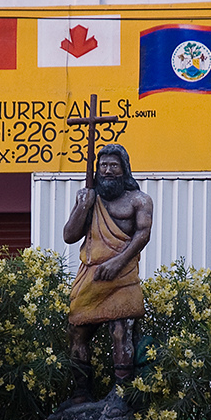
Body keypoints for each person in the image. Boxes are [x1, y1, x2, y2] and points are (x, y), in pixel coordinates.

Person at [62, 143, 153, 405]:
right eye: (103, 166)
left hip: (122, 277)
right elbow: (69, 236)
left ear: (124, 168)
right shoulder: (89, 199)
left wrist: (118, 261)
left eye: (114, 165)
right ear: (96, 170)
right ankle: (81, 393)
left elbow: (143, 234)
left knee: (120, 331)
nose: (108, 170)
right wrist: (83, 206)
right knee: (76, 332)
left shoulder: (140, 200)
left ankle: (122, 396)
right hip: (90, 275)